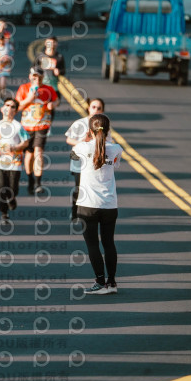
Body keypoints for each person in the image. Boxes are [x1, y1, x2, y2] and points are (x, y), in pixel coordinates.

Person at [71, 114, 123, 295]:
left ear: (90, 131)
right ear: (108, 131)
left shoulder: (83, 147)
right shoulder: (116, 148)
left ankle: (100, 282)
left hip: (88, 205)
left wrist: (86, 138)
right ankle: (112, 282)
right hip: (110, 204)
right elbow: (115, 165)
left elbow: (73, 155)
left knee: (93, 244)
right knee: (109, 243)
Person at [0, 98, 29, 221]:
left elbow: (26, 142)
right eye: (7, 105)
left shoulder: (18, 126)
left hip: (15, 161)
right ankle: (4, 213)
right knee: (1, 188)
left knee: (13, 188)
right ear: (2, 108)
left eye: (12, 106)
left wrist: (15, 147)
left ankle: (12, 198)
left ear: (15, 111)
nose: (9, 108)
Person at [15, 66, 58, 195]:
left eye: (39, 77)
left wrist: (53, 105)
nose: (37, 79)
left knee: (38, 151)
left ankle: (38, 183)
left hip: (42, 125)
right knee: (29, 154)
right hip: (27, 126)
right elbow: (17, 107)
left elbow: (56, 100)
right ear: (30, 77)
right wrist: (29, 99)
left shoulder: (48, 89)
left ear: (43, 77)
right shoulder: (24, 88)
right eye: (34, 76)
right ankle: (30, 179)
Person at [65, 98, 109, 221]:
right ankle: (75, 211)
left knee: (93, 188)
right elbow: (69, 139)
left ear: (102, 110)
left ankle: (91, 214)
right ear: (88, 108)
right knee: (79, 188)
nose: (96, 110)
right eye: (93, 107)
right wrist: (83, 143)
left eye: (99, 108)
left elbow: (108, 142)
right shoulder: (79, 123)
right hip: (80, 163)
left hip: (95, 163)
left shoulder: (105, 125)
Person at [35, 36, 65, 101]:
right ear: (45, 43)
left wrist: (59, 71)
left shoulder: (59, 57)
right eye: (49, 43)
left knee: (53, 104)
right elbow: (34, 68)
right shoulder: (40, 56)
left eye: (53, 42)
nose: (51, 45)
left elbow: (63, 70)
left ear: (56, 44)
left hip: (54, 86)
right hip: (42, 86)